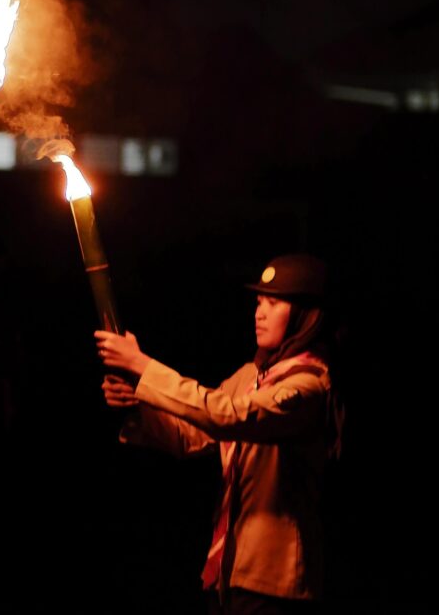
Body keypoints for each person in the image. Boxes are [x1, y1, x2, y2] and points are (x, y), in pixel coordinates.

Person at [97, 253, 342, 613]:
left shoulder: (310, 385)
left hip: (275, 581)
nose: (258, 312)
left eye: (273, 303)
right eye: (259, 301)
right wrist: (137, 404)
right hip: (227, 572)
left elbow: (225, 416)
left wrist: (144, 367)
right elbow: (191, 435)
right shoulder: (250, 377)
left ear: (305, 314)